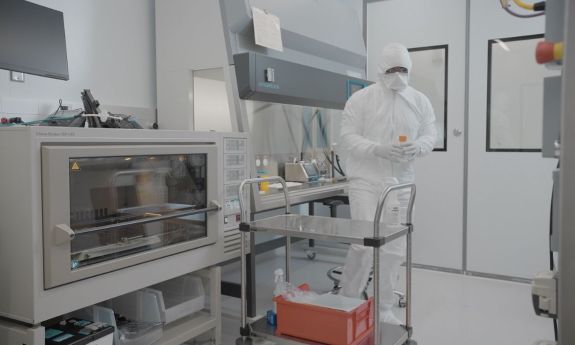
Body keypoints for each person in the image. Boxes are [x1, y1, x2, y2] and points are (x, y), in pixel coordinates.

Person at [339, 42, 437, 324]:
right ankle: (348, 299)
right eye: (392, 69)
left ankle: (383, 308)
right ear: (381, 70)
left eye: (403, 69)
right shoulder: (361, 99)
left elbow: (431, 133)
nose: (397, 74)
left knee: (394, 248)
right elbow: (347, 136)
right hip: (365, 180)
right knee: (363, 244)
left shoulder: (419, 100)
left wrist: (418, 146)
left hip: (400, 184)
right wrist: (376, 149)